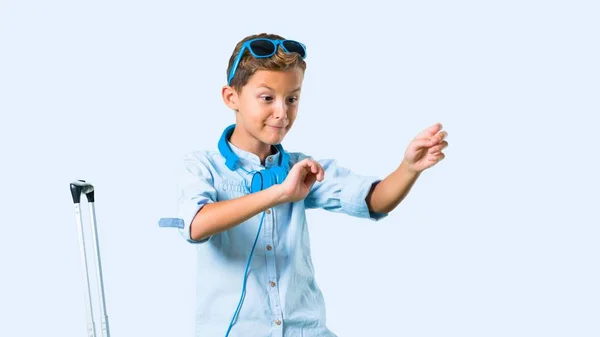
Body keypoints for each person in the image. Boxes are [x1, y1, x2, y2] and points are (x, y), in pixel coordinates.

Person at [160, 32, 448, 337]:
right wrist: (279, 193)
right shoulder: (202, 166)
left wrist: (408, 168)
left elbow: (374, 199)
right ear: (232, 97)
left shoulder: (302, 168)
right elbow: (196, 225)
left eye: (292, 98)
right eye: (267, 98)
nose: (282, 112)